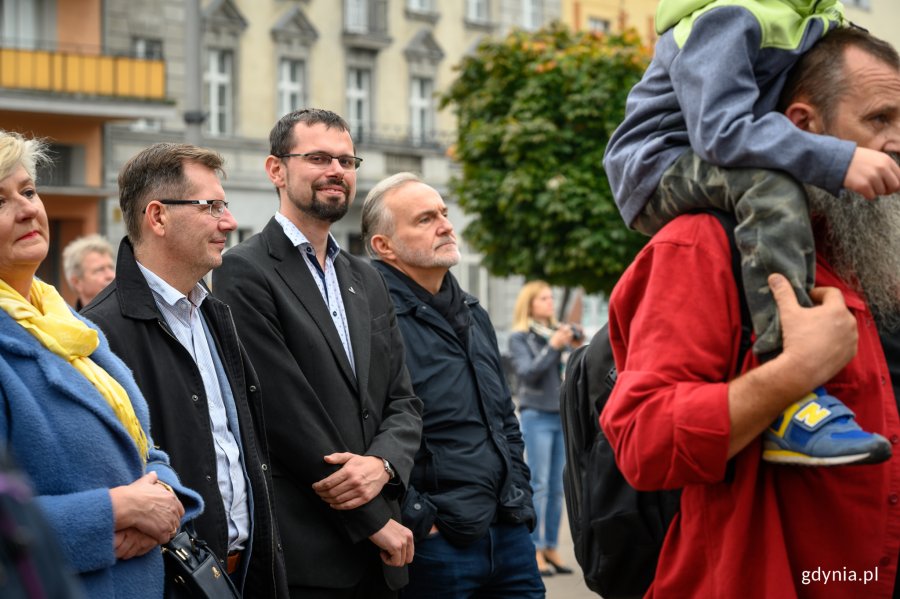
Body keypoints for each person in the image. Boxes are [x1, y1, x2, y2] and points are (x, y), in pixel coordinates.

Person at [600, 28, 900, 597]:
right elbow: (645, 443)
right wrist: (793, 373)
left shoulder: (873, 254)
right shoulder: (702, 243)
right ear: (802, 126)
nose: (896, 141)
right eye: (879, 120)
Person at [212, 109, 422, 598]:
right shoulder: (243, 271)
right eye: (319, 158)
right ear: (276, 170)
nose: (337, 171)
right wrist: (373, 521)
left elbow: (403, 401)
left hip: (383, 554)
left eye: (347, 160)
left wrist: (384, 466)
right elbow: (287, 416)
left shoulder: (365, 277)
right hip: (311, 553)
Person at [81, 143, 289, 597]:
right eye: (211, 206)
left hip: (247, 571)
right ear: (157, 217)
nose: (228, 222)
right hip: (176, 582)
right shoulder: (98, 334)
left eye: (225, 205)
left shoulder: (214, 313)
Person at [0, 130, 202, 596]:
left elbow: (144, 448)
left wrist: (163, 501)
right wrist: (114, 513)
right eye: (1, 201)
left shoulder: (64, 322)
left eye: (28, 191)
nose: (28, 208)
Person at [361, 172, 544, 598]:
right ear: (383, 246)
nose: (445, 225)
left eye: (443, 213)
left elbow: (503, 418)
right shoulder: (370, 320)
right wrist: (421, 520)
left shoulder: (474, 313)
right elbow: (363, 432)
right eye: (425, 220)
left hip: (509, 531)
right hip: (437, 545)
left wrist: (521, 499)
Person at [508, 281, 582, 577]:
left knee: (557, 486)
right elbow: (528, 374)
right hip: (536, 414)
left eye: (552, 297)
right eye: (544, 298)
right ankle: (535, 548)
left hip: (560, 415)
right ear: (529, 304)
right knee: (538, 484)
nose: (550, 302)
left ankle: (551, 545)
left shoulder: (557, 333)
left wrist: (572, 344)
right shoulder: (520, 338)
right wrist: (553, 348)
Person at [62, 234, 115, 310]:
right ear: (76, 282)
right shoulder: (70, 321)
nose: (111, 275)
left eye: (111, 268)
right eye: (100, 270)